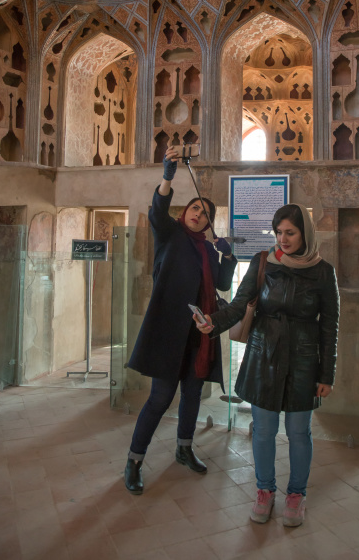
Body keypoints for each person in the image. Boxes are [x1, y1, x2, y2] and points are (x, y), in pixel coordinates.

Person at [195, 203, 339, 527]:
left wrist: (327, 373)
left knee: (299, 432)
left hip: (304, 359)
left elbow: (330, 325)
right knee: (263, 431)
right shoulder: (263, 262)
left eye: (290, 232)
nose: (283, 239)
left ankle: (296, 494)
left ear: (305, 233)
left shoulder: (322, 271)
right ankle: (264, 490)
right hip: (264, 355)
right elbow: (237, 306)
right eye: (278, 233)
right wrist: (211, 323)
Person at [124, 145, 237, 494]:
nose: (197, 215)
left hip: (199, 332)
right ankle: (134, 461)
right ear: (185, 211)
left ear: (208, 223)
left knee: (192, 393)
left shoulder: (206, 248)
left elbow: (221, 284)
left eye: (204, 214)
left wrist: (229, 257)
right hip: (168, 331)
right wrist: (167, 177)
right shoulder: (169, 233)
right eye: (194, 209)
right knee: (160, 398)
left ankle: (184, 448)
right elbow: (157, 210)